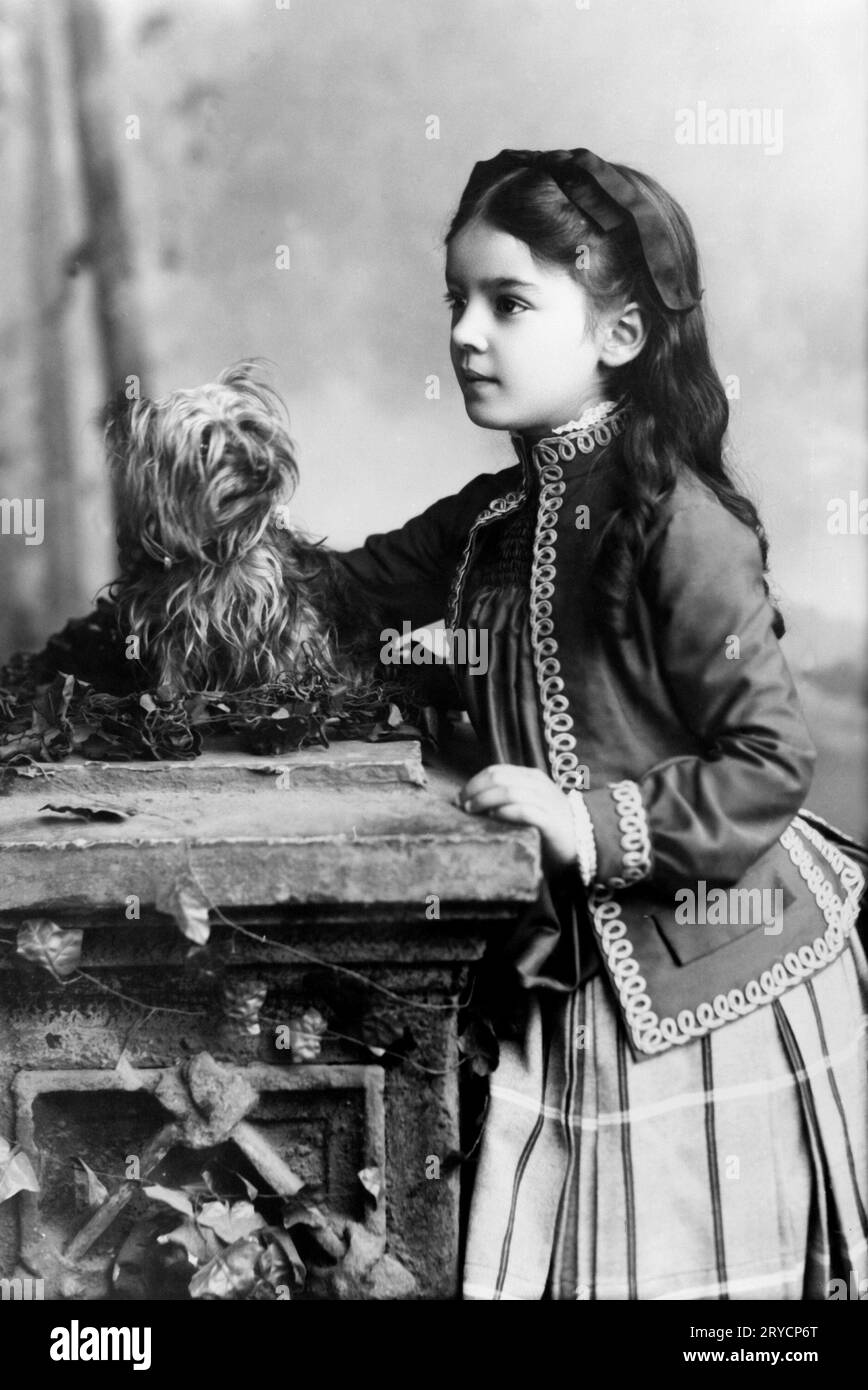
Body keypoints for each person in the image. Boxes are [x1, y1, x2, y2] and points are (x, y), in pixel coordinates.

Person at [334, 147, 868, 1300]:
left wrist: (585, 818)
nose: (465, 335)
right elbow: (344, 595)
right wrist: (212, 518)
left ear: (620, 336)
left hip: (711, 975)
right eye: (456, 303)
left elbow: (769, 763)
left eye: (508, 303)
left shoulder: (679, 522)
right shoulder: (493, 517)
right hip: (569, 978)